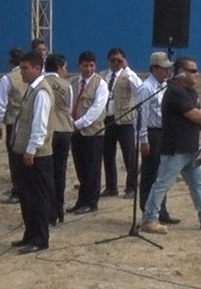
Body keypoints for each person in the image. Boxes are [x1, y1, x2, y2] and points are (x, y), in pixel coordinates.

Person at [139, 56, 201, 235]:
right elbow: (194, 115)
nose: (197, 74)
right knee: (162, 184)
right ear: (181, 72)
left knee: (198, 183)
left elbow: (199, 114)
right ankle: (149, 219)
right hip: (175, 147)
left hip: (190, 148)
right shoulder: (175, 91)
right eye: (193, 71)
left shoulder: (190, 91)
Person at [10, 51, 55, 254]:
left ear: (38, 68)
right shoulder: (31, 89)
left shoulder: (42, 92)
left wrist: (31, 150)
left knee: (37, 197)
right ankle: (30, 234)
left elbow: (40, 125)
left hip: (37, 155)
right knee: (27, 197)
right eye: (21, 68)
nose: (22, 72)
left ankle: (39, 238)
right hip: (26, 152)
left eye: (26, 68)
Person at [136, 52, 179, 224]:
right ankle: (148, 211)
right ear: (154, 68)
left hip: (163, 132)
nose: (167, 72)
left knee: (162, 173)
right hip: (152, 133)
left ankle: (161, 210)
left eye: (169, 68)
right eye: (164, 68)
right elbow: (141, 116)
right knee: (150, 173)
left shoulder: (165, 86)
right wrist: (143, 140)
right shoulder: (146, 88)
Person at [66, 51, 107, 215]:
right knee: (80, 168)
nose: (89, 69)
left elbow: (96, 109)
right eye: (85, 65)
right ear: (79, 66)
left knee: (92, 169)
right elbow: (68, 106)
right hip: (75, 132)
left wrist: (79, 124)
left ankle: (91, 202)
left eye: (92, 65)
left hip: (92, 133)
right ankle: (81, 200)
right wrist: (71, 123)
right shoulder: (73, 83)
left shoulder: (100, 84)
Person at [101, 48, 141, 198]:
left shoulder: (129, 75)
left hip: (125, 119)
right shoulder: (102, 76)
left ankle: (131, 187)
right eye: (113, 60)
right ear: (108, 61)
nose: (116, 63)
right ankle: (111, 186)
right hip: (107, 119)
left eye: (119, 60)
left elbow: (139, 88)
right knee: (108, 154)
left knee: (129, 154)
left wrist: (127, 68)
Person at [43, 54, 74, 225]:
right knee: (59, 171)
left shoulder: (40, 84)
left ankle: (48, 210)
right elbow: (68, 107)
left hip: (47, 131)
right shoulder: (66, 85)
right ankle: (58, 210)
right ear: (59, 67)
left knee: (46, 172)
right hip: (63, 129)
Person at [0, 48, 25, 205]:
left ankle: (17, 189)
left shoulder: (8, 78)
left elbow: (1, 103)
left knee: (14, 157)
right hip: (28, 122)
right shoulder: (33, 76)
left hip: (13, 122)